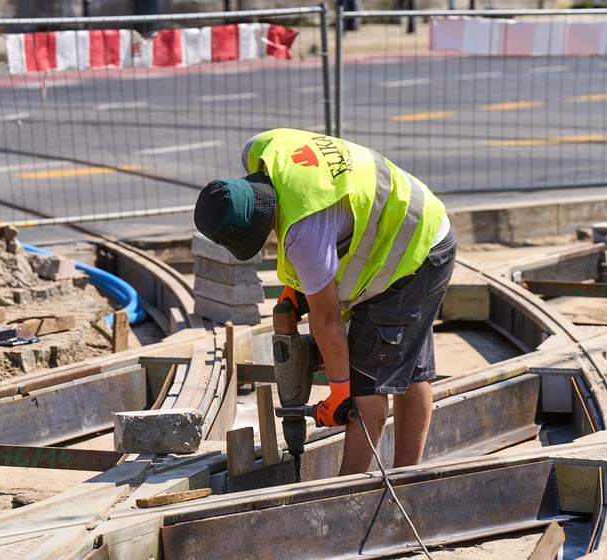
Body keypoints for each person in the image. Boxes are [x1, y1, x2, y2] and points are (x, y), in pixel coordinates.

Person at [193, 128, 456, 476]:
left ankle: (348, 490)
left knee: (366, 384)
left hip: (411, 248)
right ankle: (409, 479)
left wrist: (339, 393)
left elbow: (328, 322)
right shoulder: (261, 148)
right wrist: (301, 288)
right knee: (409, 369)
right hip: (421, 217)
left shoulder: (303, 234)